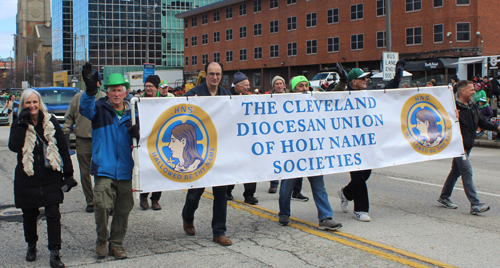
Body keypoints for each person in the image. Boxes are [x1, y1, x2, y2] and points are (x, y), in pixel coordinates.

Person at [8, 89, 77, 268]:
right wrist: (22, 125)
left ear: (40, 103)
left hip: (50, 175)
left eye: (35, 102)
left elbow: (63, 147)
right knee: (30, 215)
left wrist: (68, 175)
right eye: (28, 103)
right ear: (23, 105)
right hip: (27, 176)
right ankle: (32, 245)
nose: (32, 106)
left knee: (53, 214)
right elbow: (14, 147)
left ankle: (55, 252)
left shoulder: (50, 121)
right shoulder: (19, 122)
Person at [80, 62, 138, 259]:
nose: (115, 94)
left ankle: (116, 244)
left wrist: (139, 131)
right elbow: (84, 109)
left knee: (123, 209)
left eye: (119, 90)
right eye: (112, 90)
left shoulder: (134, 113)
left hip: (125, 169)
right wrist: (89, 91)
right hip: (104, 167)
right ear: (107, 92)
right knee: (102, 205)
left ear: (126, 91)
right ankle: (102, 239)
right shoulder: (98, 108)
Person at [338, 60, 405, 222]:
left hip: (367, 141)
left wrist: (397, 78)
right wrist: (341, 81)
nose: (365, 80)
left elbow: (386, 91)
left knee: (366, 172)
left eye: (366, 78)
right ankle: (360, 209)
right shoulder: (342, 96)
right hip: (350, 142)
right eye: (362, 79)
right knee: (358, 175)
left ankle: (346, 193)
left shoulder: (370, 92)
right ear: (353, 82)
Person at [278, 76, 342, 231]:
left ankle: (325, 218)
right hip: (293, 154)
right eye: (300, 86)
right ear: (293, 89)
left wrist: (343, 84)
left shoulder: (315, 101)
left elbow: (333, 99)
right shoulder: (283, 105)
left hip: (313, 153)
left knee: (319, 187)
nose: (305, 88)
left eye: (306, 85)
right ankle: (284, 213)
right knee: (287, 187)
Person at [182, 62, 232, 246]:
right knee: (195, 192)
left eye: (218, 74)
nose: (215, 77)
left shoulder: (227, 95)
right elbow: (182, 120)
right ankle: (187, 216)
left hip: (220, 151)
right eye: (211, 73)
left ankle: (219, 232)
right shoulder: (193, 94)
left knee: (221, 194)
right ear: (206, 74)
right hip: (200, 152)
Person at [437, 80, 500, 214]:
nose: (474, 92)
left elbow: (481, 122)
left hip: (468, 143)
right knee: (467, 171)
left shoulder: (472, 106)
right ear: (463, 91)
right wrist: (451, 117)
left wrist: (496, 127)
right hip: (458, 145)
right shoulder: (451, 107)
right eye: (471, 90)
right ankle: (475, 204)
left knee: (456, 171)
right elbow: (441, 123)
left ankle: (444, 197)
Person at [63, 71, 106, 213]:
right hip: (83, 140)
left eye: (96, 81)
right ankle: (91, 201)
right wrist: (66, 134)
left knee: (103, 172)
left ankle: (104, 200)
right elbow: (69, 117)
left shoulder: (104, 97)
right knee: (85, 172)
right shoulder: (78, 97)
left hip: (101, 140)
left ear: (99, 83)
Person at [267, 75, 309, 202]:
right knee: (278, 160)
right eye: (277, 84)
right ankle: (274, 184)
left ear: (285, 85)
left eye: (281, 83)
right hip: (277, 134)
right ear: (273, 86)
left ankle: (296, 191)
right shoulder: (268, 98)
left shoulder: (292, 95)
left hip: (294, 135)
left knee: (298, 163)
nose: (279, 86)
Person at [226, 72, 259, 204]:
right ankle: (227, 191)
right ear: (238, 86)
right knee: (232, 166)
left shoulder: (249, 97)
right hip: (232, 139)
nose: (248, 87)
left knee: (250, 166)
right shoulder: (226, 97)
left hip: (248, 138)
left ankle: (249, 194)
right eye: (246, 85)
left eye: (249, 85)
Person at [139, 75, 163, 211]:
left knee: (159, 170)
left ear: (157, 88)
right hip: (144, 141)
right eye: (146, 86)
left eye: (151, 86)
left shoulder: (162, 101)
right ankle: (143, 196)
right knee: (146, 170)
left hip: (160, 140)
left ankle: (155, 199)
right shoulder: (139, 101)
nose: (148, 88)